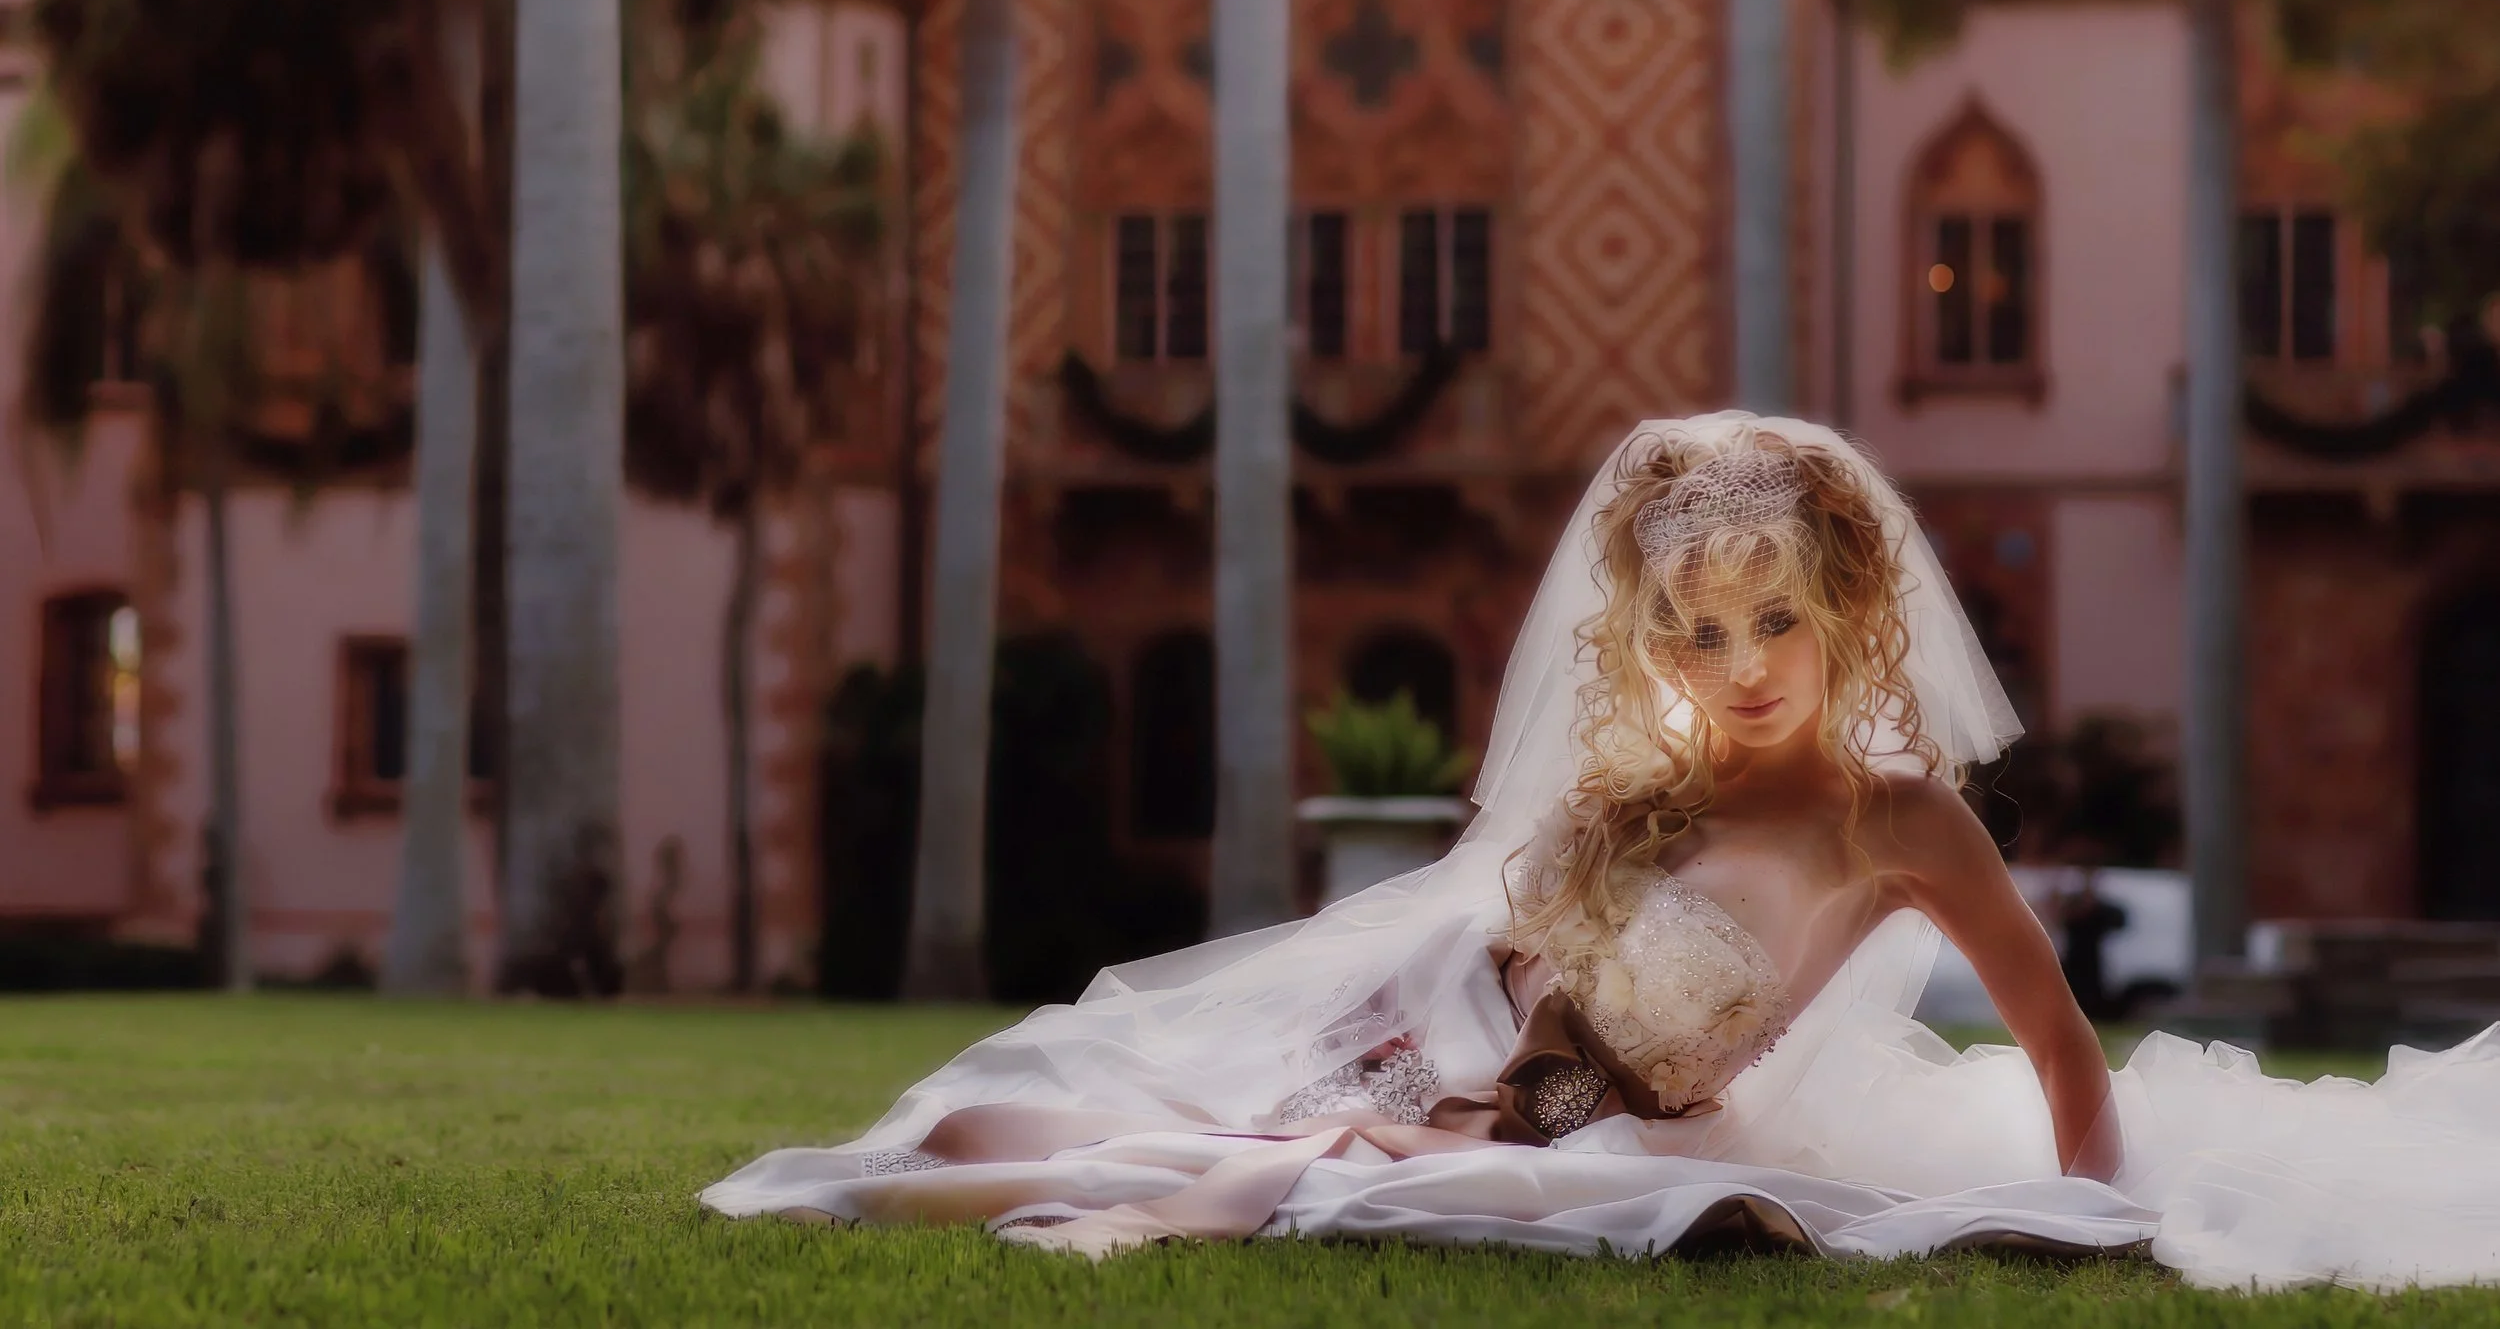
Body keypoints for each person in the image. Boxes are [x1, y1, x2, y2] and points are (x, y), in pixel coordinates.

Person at [705, 415, 2500, 1288]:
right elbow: (1477, 970)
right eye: (1696, 637)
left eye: (1772, 627)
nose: (1734, 675)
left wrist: (2094, 1203)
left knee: (1352, 1190)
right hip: (1515, 1097)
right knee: (1144, 1128)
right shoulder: (1641, 789)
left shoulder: (1899, 817)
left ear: (1845, 617)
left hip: (1650, 1138)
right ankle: (1058, 1167)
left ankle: (1117, 1193)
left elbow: (2050, 1035)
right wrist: (1423, 1080)